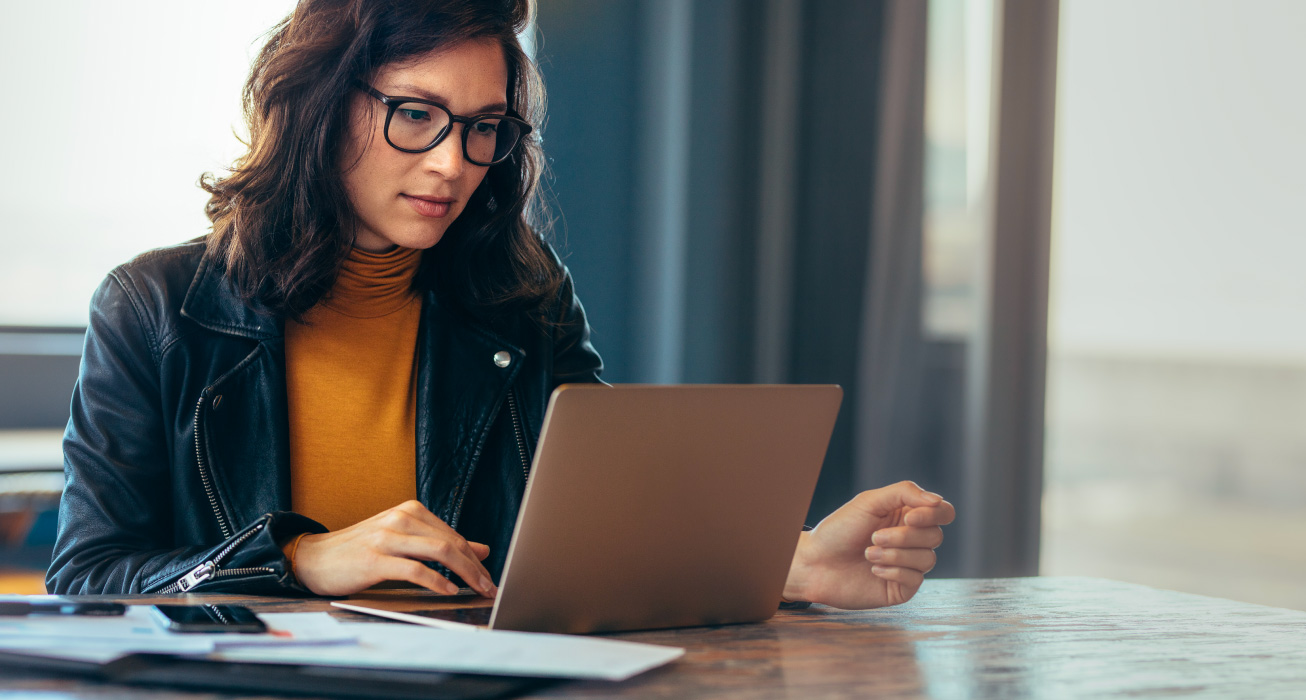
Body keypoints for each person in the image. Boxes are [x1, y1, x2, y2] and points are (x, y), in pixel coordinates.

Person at [45, 0, 954, 611]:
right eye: (415, 115)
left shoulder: (520, 294)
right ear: (321, 105)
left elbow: (605, 525)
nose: (452, 163)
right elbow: (87, 578)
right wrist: (296, 561)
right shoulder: (156, 307)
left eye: (484, 128)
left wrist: (789, 563)